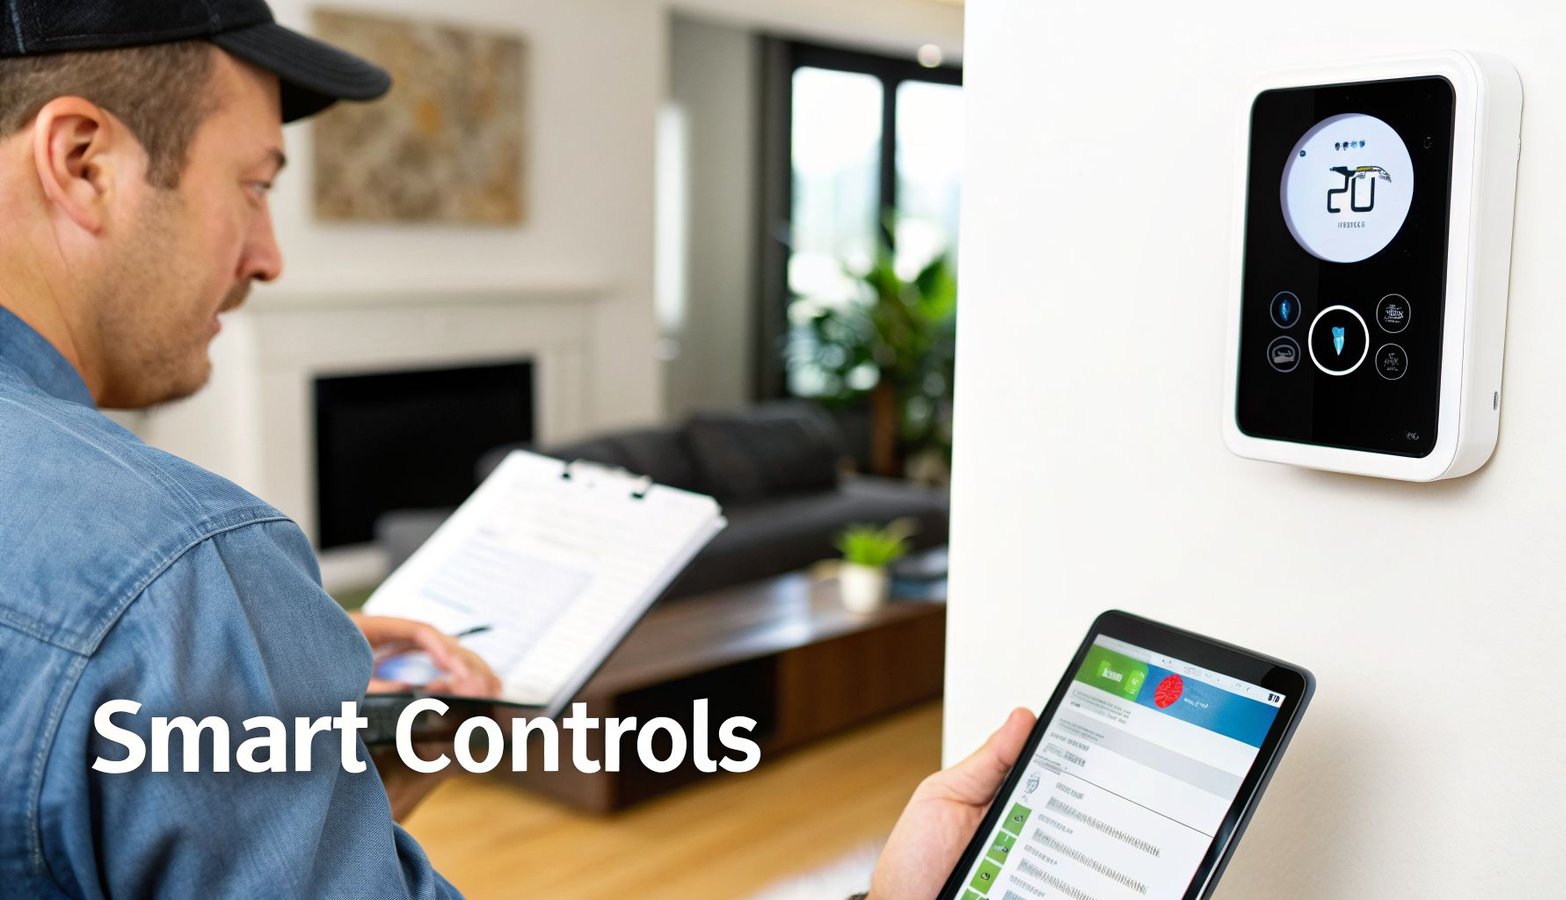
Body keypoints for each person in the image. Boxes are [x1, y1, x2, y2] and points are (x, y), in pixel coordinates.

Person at [0, 2, 1028, 897]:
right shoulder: (184, 572)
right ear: (84, 162)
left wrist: (315, 779)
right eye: (258, 185)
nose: (268, 256)